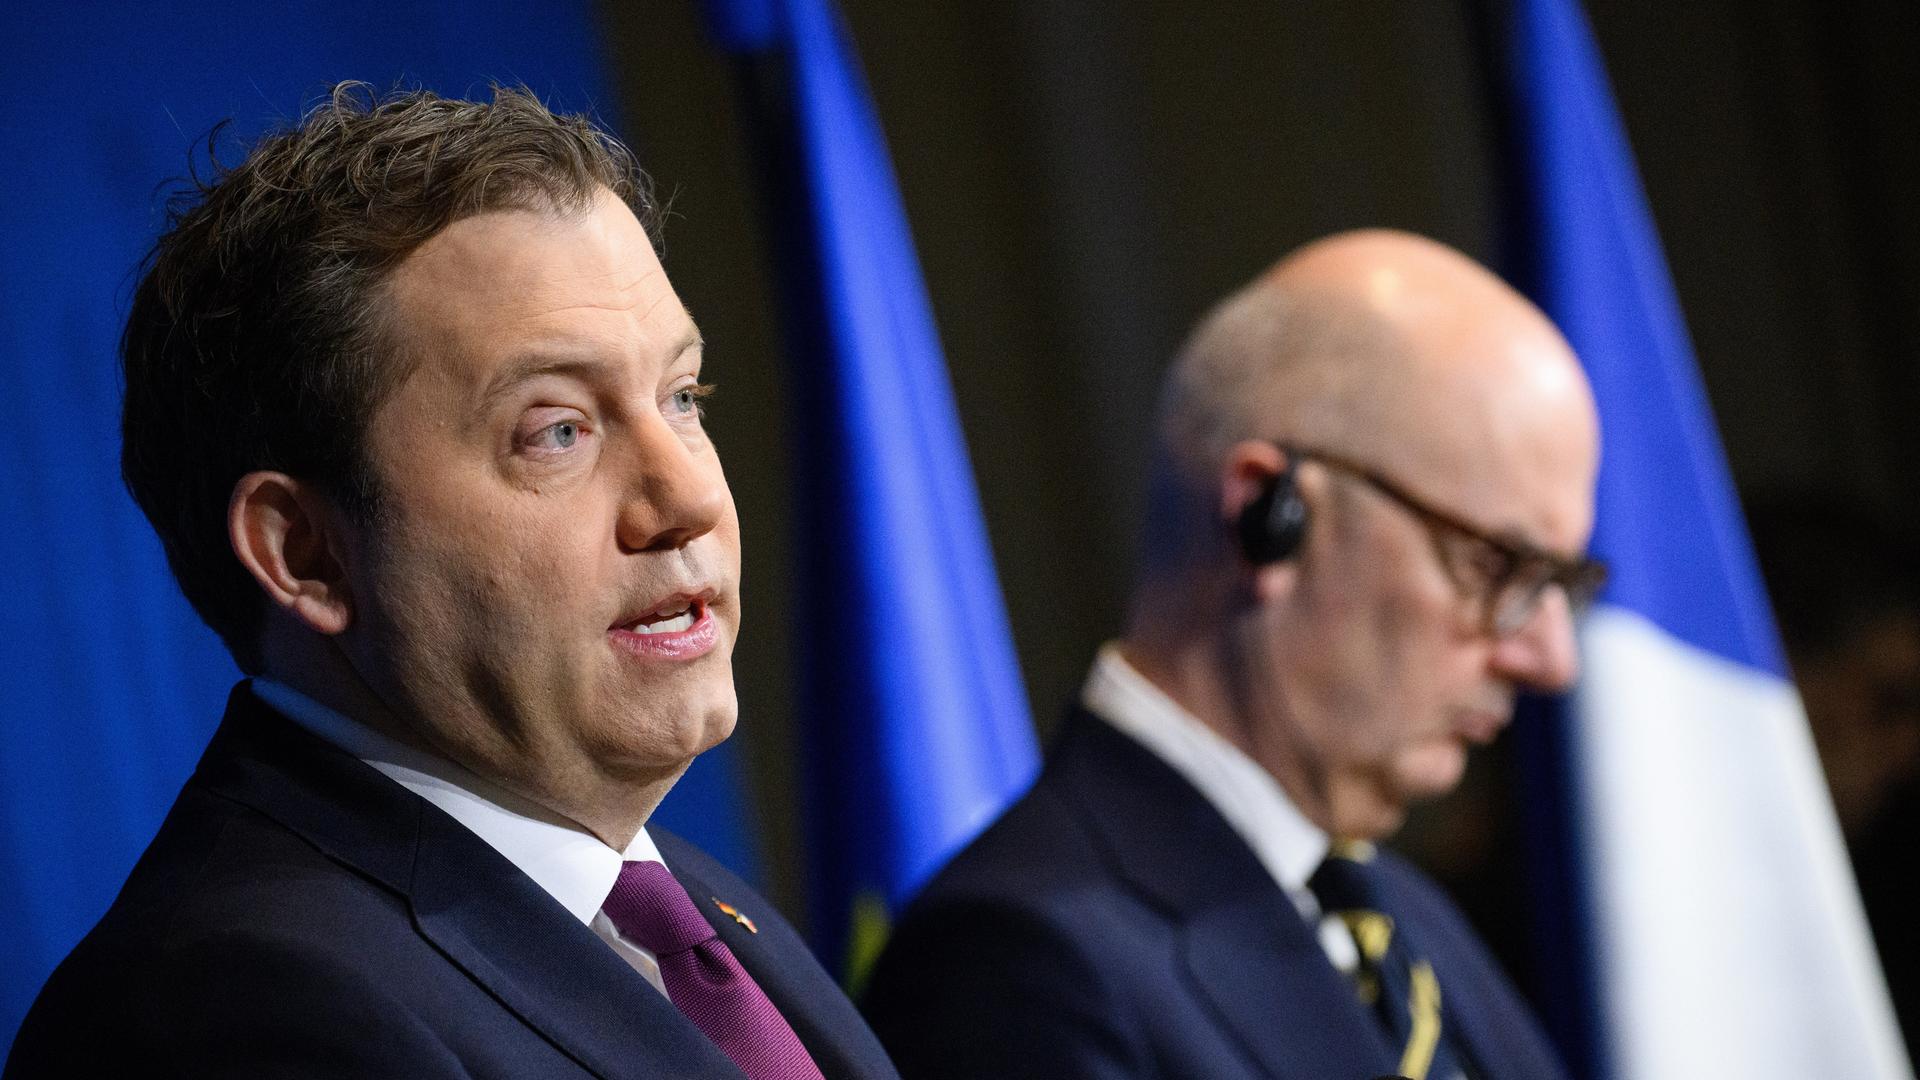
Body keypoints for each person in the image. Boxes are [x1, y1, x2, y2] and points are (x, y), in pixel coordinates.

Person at [5, 84, 898, 1080]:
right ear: (305, 552)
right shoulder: (231, 1018)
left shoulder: (683, 906)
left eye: (680, 397)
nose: (688, 497)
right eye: (557, 429)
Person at [863, 230, 1600, 1080]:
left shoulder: (1410, 918)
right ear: (1270, 518)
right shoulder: (1013, 966)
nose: (1550, 659)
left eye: (1563, 586)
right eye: (1497, 566)